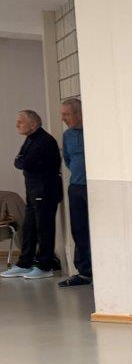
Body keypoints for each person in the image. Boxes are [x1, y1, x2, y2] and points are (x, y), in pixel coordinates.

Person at [2, 110, 63, 280]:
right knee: (29, 228)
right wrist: (22, 161)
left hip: (45, 190)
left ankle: (45, 266)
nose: (17, 125)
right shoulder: (30, 139)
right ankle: (24, 263)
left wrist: (22, 161)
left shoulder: (44, 141)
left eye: (20, 122)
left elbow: (25, 162)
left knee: (44, 228)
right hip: (32, 190)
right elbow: (18, 161)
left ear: (33, 124)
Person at [57, 98, 92, 288]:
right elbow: (68, 160)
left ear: (79, 113)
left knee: (96, 229)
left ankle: (101, 272)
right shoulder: (68, 135)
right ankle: (84, 272)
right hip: (76, 186)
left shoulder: (93, 132)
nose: (63, 118)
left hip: (92, 187)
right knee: (79, 230)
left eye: (66, 114)